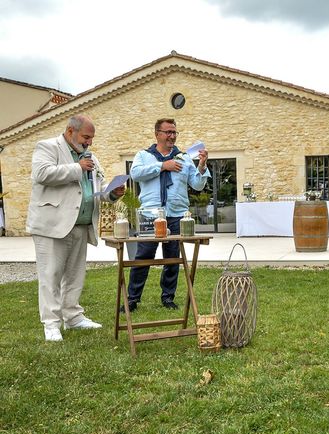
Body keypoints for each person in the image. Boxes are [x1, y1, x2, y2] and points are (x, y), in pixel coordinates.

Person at [26, 114, 125, 341]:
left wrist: (112, 193)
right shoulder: (48, 147)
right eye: (86, 137)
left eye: (91, 138)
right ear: (71, 131)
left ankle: (73, 317)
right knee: (50, 275)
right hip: (51, 225)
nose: (89, 142)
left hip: (81, 224)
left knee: (74, 275)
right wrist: (77, 168)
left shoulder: (90, 157)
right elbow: (41, 174)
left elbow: (97, 188)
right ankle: (51, 323)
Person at [124, 118, 210, 312]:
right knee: (143, 257)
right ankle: (132, 299)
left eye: (174, 132)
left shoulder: (184, 158)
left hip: (176, 214)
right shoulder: (143, 156)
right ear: (157, 134)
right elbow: (136, 174)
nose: (172, 136)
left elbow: (197, 184)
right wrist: (163, 166)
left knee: (172, 258)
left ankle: (168, 297)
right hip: (150, 215)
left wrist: (202, 166)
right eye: (168, 132)